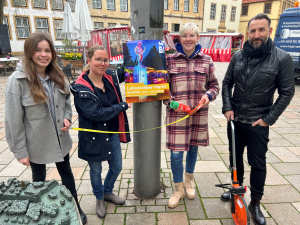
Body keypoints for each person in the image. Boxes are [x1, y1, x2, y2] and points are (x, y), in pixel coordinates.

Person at [5, 33, 87, 224]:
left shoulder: (57, 74)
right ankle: (40, 214)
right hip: (37, 142)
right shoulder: (17, 81)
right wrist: (20, 150)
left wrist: (67, 118)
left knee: (66, 172)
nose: (43, 54)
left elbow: (66, 99)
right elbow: (13, 120)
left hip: (60, 139)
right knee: (39, 178)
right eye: (38, 50)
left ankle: (75, 207)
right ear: (30, 52)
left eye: (47, 50)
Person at [221, 13, 295, 225]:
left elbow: (287, 92)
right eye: (252, 31)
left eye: (261, 30)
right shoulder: (238, 56)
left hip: (258, 122)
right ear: (248, 33)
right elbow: (227, 83)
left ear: (269, 31)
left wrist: (268, 119)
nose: (256, 35)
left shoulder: (282, 58)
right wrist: (227, 107)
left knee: (258, 163)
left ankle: (255, 202)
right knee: (235, 160)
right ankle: (237, 190)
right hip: (235, 120)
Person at [70, 45, 131, 219]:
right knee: (96, 170)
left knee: (117, 166)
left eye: (105, 60)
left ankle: (107, 192)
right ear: (89, 60)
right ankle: (99, 198)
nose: (102, 63)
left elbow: (126, 70)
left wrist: (133, 49)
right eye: (98, 59)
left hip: (111, 132)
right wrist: (122, 106)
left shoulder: (110, 77)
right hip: (93, 136)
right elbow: (95, 114)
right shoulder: (80, 87)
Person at [164, 23, 220, 209]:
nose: (188, 39)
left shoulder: (206, 60)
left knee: (193, 149)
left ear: (198, 38)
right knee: (176, 154)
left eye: (192, 35)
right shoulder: (169, 60)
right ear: (179, 38)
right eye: (184, 35)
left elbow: (214, 86)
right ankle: (178, 188)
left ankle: (189, 181)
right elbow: (162, 89)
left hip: (198, 114)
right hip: (177, 116)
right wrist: (172, 102)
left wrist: (208, 95)